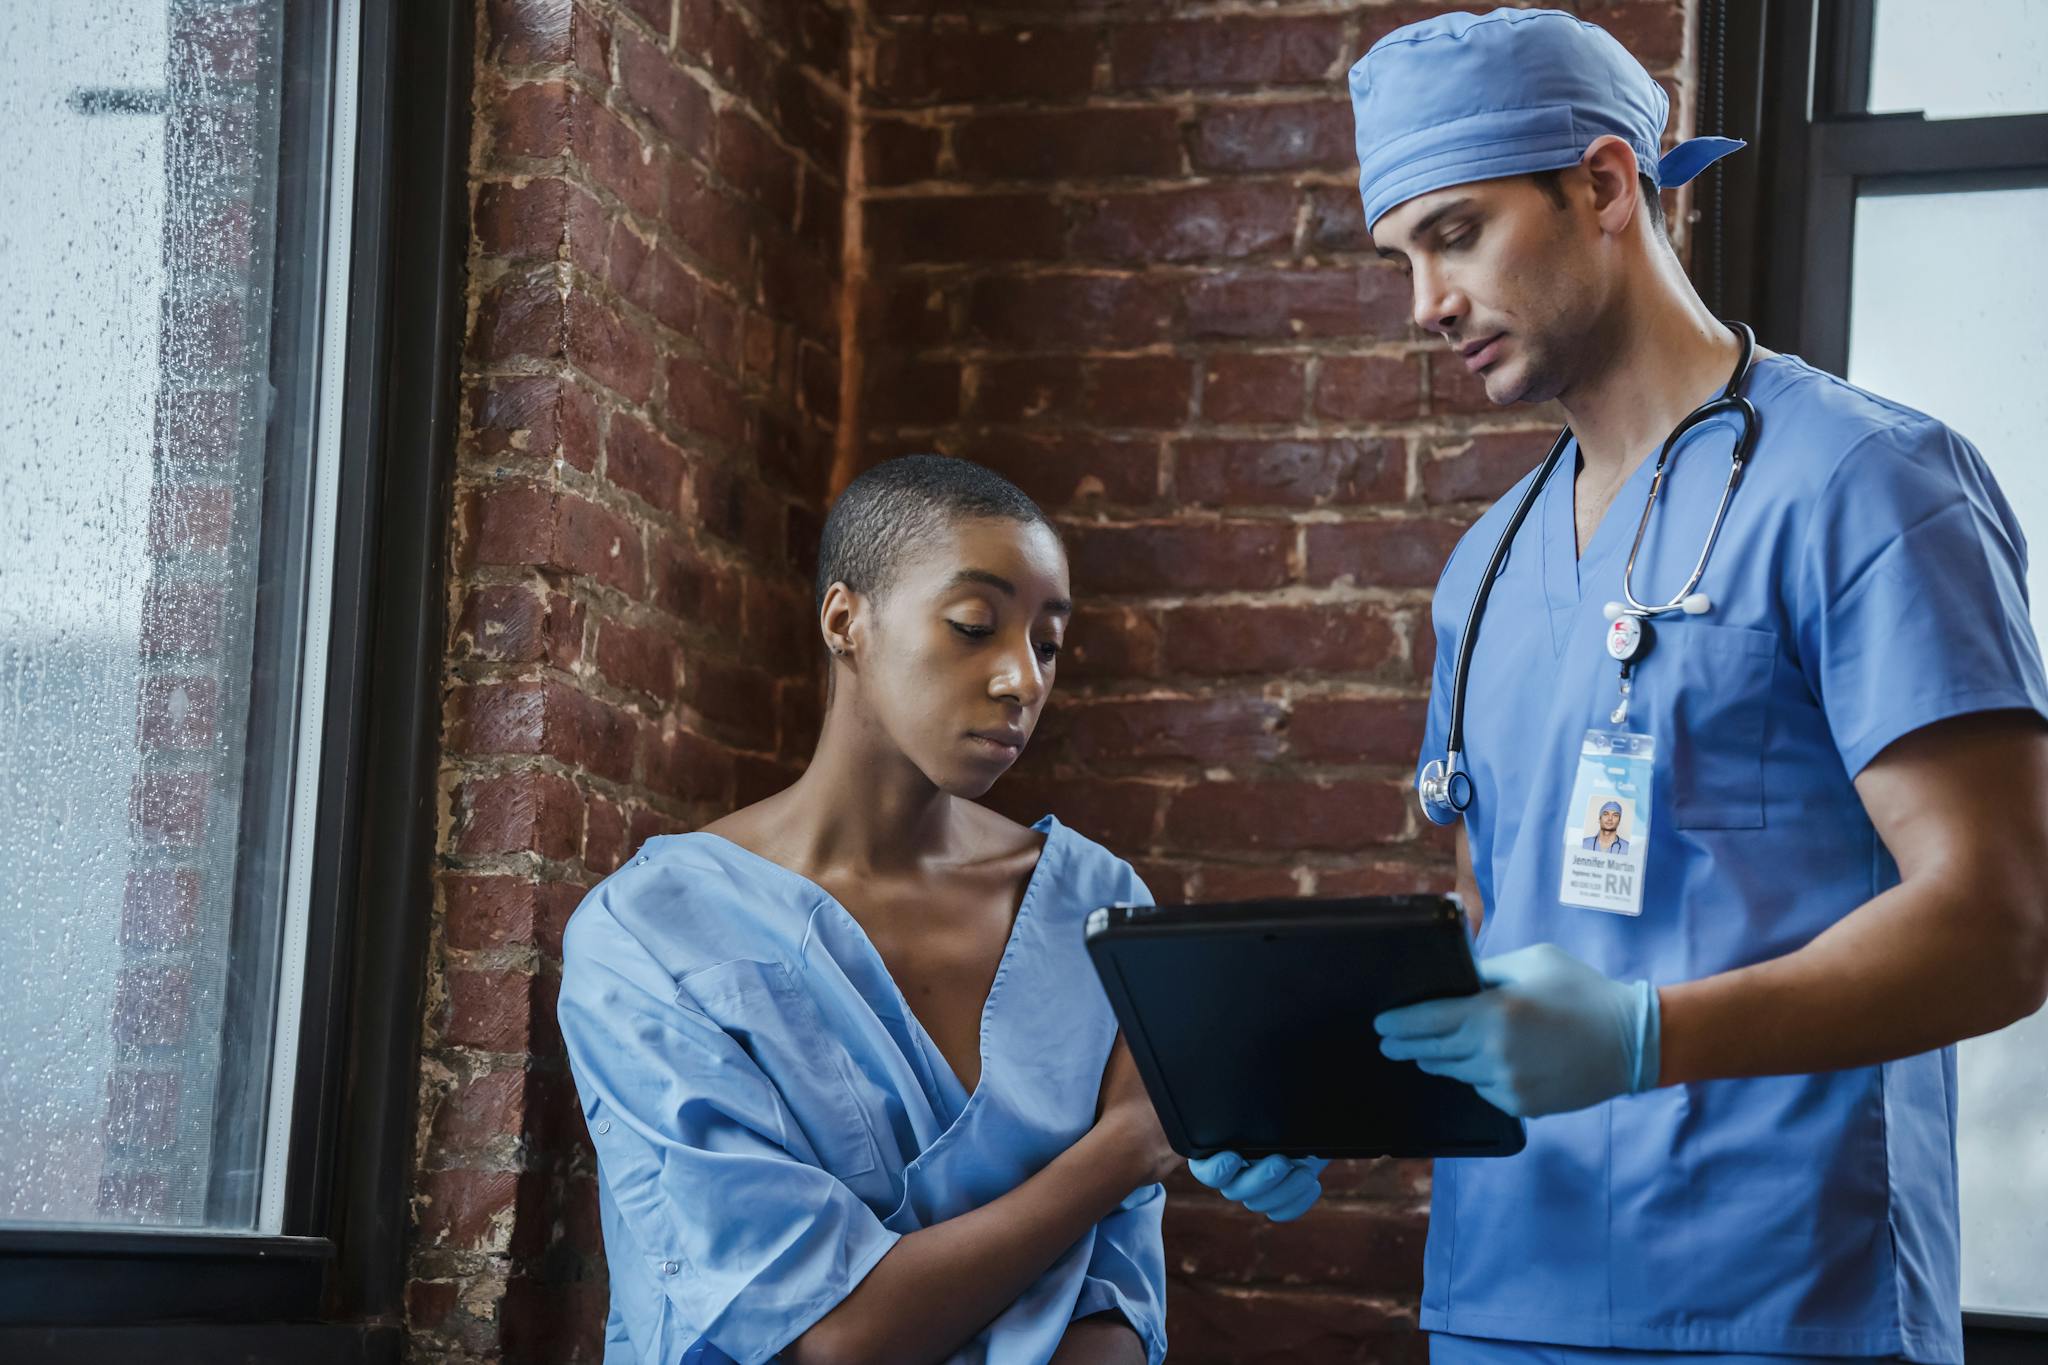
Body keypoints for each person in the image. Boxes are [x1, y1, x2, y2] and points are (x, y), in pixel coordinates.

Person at [1334, 10, 2048, 1365]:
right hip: (1506, 1293)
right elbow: (1507, 936)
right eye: (1402, 256)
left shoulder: (1865, 486)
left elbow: (2002, 923)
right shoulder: (1482, 573)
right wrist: (1321, 1099)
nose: (1423, 303)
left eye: (1457, 233)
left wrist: (1651, 1036)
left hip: (1784, 1300)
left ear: (1606, 186)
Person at [558, 455, 1323, 1365]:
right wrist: (1129, 1144)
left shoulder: (1102, 908)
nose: (1021, 680)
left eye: (1047, 643)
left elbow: (1116, 1295)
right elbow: (826, 1337)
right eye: (973, 626)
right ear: (847, 620)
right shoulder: (648, 936)